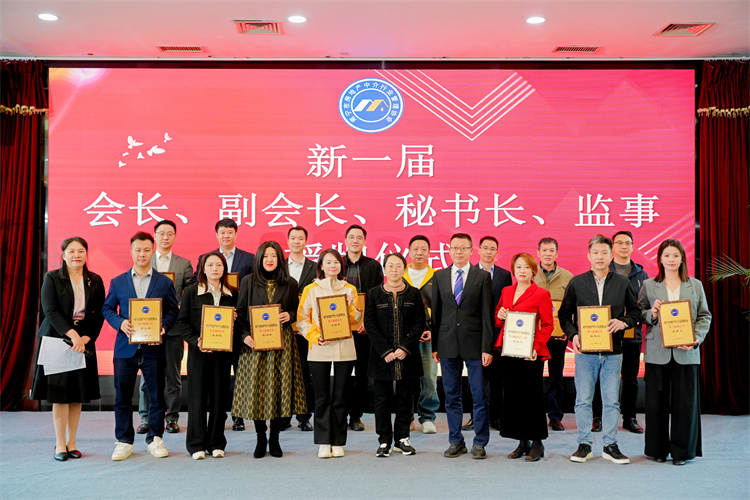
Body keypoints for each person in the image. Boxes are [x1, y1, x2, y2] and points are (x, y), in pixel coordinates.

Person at [558, 234, 640, 465]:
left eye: (604, 252)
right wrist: (573, 335)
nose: (600, 257)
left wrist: (623, 322)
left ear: (611, 255)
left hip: (613, 352)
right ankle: (584, 444)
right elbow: (564, 314)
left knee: (611, 401)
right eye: (596, 252)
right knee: (583, 401)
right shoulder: (577, 282)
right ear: (589, 256)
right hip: (585, 353)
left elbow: (636, 312)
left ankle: (610, 445)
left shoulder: (622, 283)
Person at [102, 232, 179, 461]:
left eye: (146, 250)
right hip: (124, 349)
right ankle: (124, 441)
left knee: (156, 396)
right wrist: (120, 323)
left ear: (152, 251)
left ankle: (155, 438)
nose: (142, 254)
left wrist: (163, 326)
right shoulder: (118, 281)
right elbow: (107, 308)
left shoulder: (164, 282)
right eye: (138, 250)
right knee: (122, 397)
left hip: (153, 348)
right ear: (131, 252)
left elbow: (173, 310)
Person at [638, 239, 712, 465]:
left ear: (682, 259)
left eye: (676, 255)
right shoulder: (649, 285)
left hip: (686, 352)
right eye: (667, 255)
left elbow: (704, 316)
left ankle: (682, 452)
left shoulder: (695, 285)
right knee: (655, 404)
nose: (671, 260)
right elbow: (639, 312)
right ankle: (658, 450)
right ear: (660, 259)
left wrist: (696, 338)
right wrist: (652, 313)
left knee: (685, 404)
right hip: (657, 352)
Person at [31, 237, 105, 461]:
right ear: (63, 255)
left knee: (77, 395)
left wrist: (86, 337)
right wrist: (73, 336)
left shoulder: (94, 280)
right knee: (60, 395)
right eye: (71, 251)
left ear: (86, 254)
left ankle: (72, 442)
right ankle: (59, 443)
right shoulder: (52, 277)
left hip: (83, 342)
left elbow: (99, 312)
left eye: (81, 251)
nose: (76, 255)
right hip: (57, 339)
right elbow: (50, 310)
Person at [233, 241, 306, 458]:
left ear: (280, 259)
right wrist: (244, 336)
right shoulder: (248, 281)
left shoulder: (290, 283)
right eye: (265, 256)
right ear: (259, 259)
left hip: (281, 344)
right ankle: (260, 437)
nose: (269, 260)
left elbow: (295, 309)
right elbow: (240, 314)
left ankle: (274, 437)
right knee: (257, 391)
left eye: (273, 256)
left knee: (278, 390)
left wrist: (289, 316)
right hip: (255, 344)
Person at [431, 233, 495, 459]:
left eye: (463, 248)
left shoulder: (482, 277)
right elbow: (436, 314)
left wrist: (487, 347)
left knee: (479, 396)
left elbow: (487, 314)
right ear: (449, 251)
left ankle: (480, 442)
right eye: (454, 248)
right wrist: (435, 346)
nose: (458, 251)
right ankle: (456, 441)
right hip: (447, 344)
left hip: (476, 345)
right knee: (451, 396)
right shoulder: (439, 276)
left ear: (470, 250)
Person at [172, 251, 237, 460]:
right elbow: (182, 322)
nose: (215, 269)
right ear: (203, 269)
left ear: (224, 269)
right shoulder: (192, 292)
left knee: (219, 399)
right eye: (210, 265)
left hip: (222, 355)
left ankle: (216, 442)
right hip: (199, 354)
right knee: (197, 399)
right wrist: (196, 341)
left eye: (219, 265)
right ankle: (196, 444)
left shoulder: (232, 293)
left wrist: (235, 320)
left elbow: (241, 323)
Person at [296, 249, 360, 458]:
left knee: (341, 396)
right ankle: (324, 441)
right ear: (321, 266)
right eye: (328, 262)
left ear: (341, 266)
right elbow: (301, 320)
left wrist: (351, 305)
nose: (333, 265)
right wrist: (316, 337)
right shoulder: (311, 289)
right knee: (322, 397)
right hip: (319, 349)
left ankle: (338, 441)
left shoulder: (349, 289)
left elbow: (357, 320)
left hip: (344, 349)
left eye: (336, 262)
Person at [195, 218, 255, 432]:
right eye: (222, 232)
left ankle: (238, 416)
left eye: (230, 232)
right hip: (214, 328)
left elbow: (251, 289)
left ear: (236, 234)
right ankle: (217, 413)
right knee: (216, 375)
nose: (226, 235)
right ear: (217, 235)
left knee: (240, 373)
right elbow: (197, 285)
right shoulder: (206, 258)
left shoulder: (249, 258)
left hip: (238, 325)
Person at [365, 253, 426, 457]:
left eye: (398, 266)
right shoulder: (374, 294)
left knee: (405, 398)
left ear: (404, 269)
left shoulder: (413, 293)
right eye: (390, 266)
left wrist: (404, 348)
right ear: (385, 269)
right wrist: (386, 351)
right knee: (381, 399)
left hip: (407, 355)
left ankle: (402, 439)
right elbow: (370, 324)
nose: (394, 269)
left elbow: (419, 323)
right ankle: (384, 441)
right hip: (381, 356)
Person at [494, 253, 554, 462]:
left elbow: (548, 325)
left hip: (530, 354)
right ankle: (522, 442)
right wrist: (499, 315)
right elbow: (498, 318)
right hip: (509, 350)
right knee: (514, 397)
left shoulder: (541, 294)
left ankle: (537, 442)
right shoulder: (506, 291)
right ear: (513, 270)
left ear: (533, 271)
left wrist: (536, 347)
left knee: (532, 398)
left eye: (526, 267)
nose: (522, 270)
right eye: (518, 266)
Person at [138, 219, 194, 436]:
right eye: (161, 233)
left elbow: (190, 293)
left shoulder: (183, 264)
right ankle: (146, 417)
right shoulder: (144, 260)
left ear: (175, 237)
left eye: (170, 233)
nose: (165, 237)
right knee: (147, 376)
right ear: (154, 236)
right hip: (147, 327)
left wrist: (180, 305)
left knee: (173, 376)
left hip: (174, 329)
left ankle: (171, 418)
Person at [466, 236, 512, 432]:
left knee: (496, 377)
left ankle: (496, 416)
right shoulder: (469, 272)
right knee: (475, 377)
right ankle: (474, 417)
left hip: (497, 331)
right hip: (474, 332)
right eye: (485, 248)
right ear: (478, 250)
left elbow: (507, 302)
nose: (488, 252)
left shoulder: (505, 275)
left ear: (497, 252)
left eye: (492, 249)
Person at [343, 224, 384, 432]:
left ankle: (356, 416)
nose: (355, 241)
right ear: (345, 240)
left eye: (359, 237)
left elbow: (378, 298)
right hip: (339, 331)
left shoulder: (373, 266)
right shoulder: (336, 263)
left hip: (363, 331)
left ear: (364, 241)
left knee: (361, 375)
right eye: (351, 237)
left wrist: (367, 323)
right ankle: (340, 414)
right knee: (341, 375)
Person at [535, 237, 574, 432]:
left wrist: (568, 330)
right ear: (538, 253)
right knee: (534, 375)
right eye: (544, 250)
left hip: (558, 336)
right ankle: (534, 415)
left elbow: (571, 307)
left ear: (557, 253)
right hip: (535, 336)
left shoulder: (568, 277)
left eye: (551, 250)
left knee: (556, 376)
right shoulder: (530, 274)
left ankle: (555, 416)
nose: (548, 254)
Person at [403, 235, 438, 434]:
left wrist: (433, 331)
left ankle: (428, 417)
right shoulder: (399, 275)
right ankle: (406, 417)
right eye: (415, 249)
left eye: (423, 249)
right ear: (409, 252)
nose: (419, 252)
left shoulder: (437, 277)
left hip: (427, 337)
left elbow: (442, 309)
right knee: (403, 379)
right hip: (404, 339)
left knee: (429, 378)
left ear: (429, 253)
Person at [284, 226, 317, 432]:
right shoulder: (279, 266)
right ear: (288, 241)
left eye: (300, 238)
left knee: (305, 374)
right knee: (284, 373)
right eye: (293, 238)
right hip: (283, 328)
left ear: (306, 241)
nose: (296, 241)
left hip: (306, 329)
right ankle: (284, 416)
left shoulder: (315, 267)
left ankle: (304, 416)